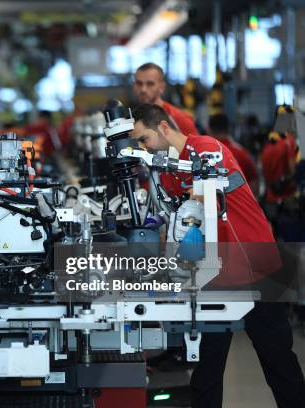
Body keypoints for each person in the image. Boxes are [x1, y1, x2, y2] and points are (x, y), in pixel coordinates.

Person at [130, 103, 305, 408]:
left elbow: (198, 203)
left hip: (256, 266)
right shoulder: (169, 171)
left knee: (277, 359)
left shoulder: (206, 148)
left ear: (162, 127)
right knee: (207, 366)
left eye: (143, 139)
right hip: (217, 274)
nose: (142, 147)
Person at [133, 62, 198, 137]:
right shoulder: (130, 118)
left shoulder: (179, 118)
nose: (143, 89)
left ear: (162, 87)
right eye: (139, 83)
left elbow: (197, 147)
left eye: (150, 84)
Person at [207, 113, 259, 195]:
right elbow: (253, 181)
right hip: (240, 204)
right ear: (229, 128)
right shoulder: (241, 153)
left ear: (209, 130)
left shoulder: (204, 153)